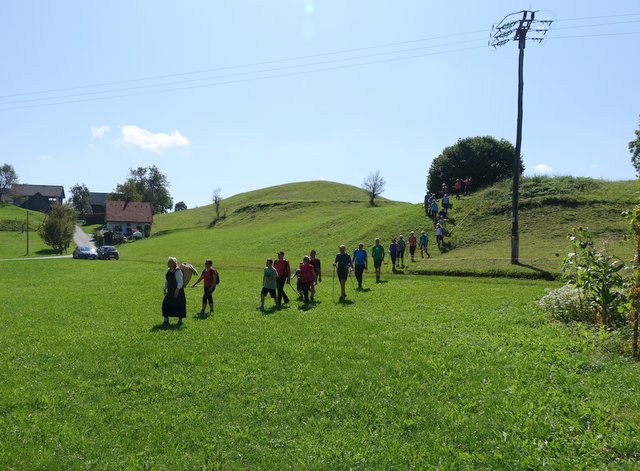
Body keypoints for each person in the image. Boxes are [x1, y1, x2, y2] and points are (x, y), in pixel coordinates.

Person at [162, 256, 187, 326]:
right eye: (168, 262)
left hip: (177, 291)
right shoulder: (168, 270)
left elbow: (180, 282)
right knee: (165, 304)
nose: (169, 263)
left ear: (174, 263)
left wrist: (177, 290)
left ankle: (180, 320)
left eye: (171, 262)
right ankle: (166, 320)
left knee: (179, 305)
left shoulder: (178, 271)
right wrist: (165, 288)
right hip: (170, 291)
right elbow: (167, 280)